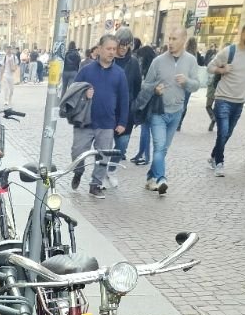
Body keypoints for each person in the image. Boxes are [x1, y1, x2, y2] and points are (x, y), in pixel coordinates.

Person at [139, 26, 200, 196]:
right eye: (169, 38)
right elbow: (146, 84)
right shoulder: (158, 61)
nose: (171, 42)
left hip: (177, 112)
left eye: (174, 39)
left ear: (183, 40)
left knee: (163, 149)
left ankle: (151, 178)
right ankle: (161, 179)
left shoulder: (190, 61)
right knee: (159, 146)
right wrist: (155, 89)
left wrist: (186, 82)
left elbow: (196, 85)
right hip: (158, 111)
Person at [69, 33, 129, 199]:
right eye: (108, 48)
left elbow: (125, 99)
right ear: (100, 49)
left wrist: (122, 121)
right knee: (77, 152)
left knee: (103, 155)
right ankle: (78, 171)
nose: (111, 52)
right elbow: (72, 92)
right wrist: (84, 94)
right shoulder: (86, 70)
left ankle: (95, 184)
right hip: (85, 121)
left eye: (114, 49)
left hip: (107, 122)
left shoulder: (119, 73)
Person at [207, 22, 245, 176]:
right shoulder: (229, 51)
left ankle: (212, 156)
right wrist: (222, 69)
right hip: (223, 98)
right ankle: (219, 162)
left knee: (227, 133)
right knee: (222, 132)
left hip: (239, 101)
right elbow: (210, 66)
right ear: (243, 34)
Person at [107, 27, 142, 186]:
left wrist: (133, 105)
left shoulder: (134, 62)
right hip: (107, 110)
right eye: (121, 43)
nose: (123, 47)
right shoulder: (107, 59)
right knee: (104, 145)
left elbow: (137, 86)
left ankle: (112, 168)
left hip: (126, 111)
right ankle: (100, 173)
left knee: (122, 144)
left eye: (126, 44)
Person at [176, 36, 202, 132]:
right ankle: (179, 123)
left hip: (181, 81)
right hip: (189, 82)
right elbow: (202, 63)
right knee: (185, 103)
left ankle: (176, 121)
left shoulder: (184, 53)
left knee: (179, 101)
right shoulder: (196, 55)